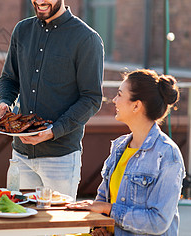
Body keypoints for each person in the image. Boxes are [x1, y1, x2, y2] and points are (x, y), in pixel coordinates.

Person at [0, 0, 104, 198]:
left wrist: (54, 130)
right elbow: (9, 79)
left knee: (58, 232)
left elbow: (91, 98)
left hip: (61, 157)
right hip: (20, 154)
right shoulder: (21, 30)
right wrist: (4, 102)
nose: (39, 1)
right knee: (18, 226)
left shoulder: (87, 39)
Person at [67, 69, 185, 235]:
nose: (114, 100)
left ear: (136, 105)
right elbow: (102, 199)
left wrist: (109, 209)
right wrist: (100, 227)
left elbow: (158, 222)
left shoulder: (167, 154)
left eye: (120, 94)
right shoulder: (119, 146)